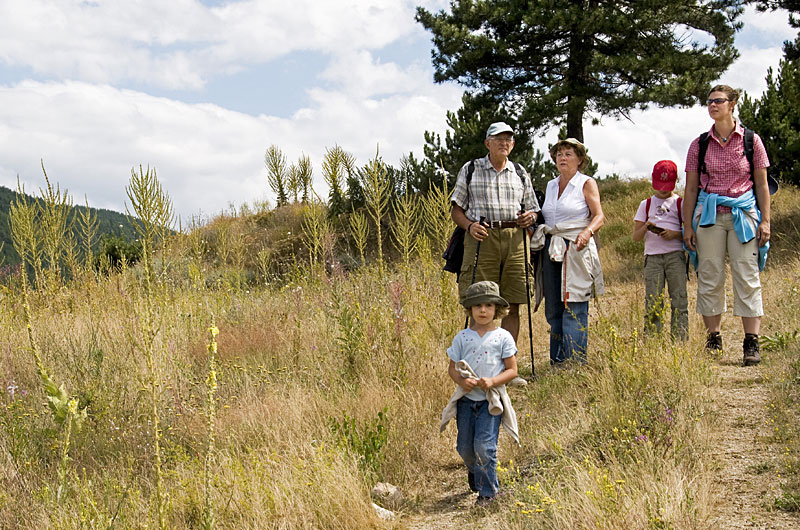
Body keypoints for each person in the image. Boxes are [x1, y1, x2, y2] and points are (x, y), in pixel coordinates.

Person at [682, 84, 771, 366]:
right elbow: (691, 188)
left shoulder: (751, 141)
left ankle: (751, 342)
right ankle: (713, 338)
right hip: (708, 216)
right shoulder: (699, 144)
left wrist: (766, 220)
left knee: (747, 275)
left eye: (718, 101)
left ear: (732, 104)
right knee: (709, 274)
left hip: (743, 214)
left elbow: (761, 183)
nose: (712, 106)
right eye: (709, 102)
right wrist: (687, 225)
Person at [451, 121, 540, 383]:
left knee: (512, 303)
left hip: (515, 239)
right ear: (487, 143)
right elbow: (456, 209)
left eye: (508, 139)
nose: (504, 142)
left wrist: (530, 217)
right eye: (498, 138)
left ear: (512, 144)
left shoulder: (520, 172)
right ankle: (477, 367)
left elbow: (533, 209)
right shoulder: (471, 169)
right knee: (480, 302)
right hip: (482, 238)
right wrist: (469, 226)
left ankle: (506, 371)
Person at [440, 281, 518, 506]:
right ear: (470, 309)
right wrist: (463, 382)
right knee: (465, 447)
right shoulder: (462, 337)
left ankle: (488, 493)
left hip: (489, 403)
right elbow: (452, 369)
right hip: (467, 402)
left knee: (485, 446)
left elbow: (512, 370)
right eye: (477, 306)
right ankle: (476, 471)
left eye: (488, 306)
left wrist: (493, 380)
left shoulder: (503, 337)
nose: (483, 311)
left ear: (497, 309)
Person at [531, 138, 605, 365]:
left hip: (576, 247)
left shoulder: (586, 183)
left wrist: (587, 233)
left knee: (573, 303)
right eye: (559, 154)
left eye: (568, 154)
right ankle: (557, 359)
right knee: (553, 306)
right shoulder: (552, 185)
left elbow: (599, 216)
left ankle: (576, 361)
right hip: (551, 246)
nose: (562, 158)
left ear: (580, 159)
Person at [632, 160, 688, 340]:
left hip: (675, 256)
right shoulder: (646, 204)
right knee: (653, 300)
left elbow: (690, 233)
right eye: (659, 186)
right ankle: (652, 341)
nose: (663, 190)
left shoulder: (680, 203)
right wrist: (647, 226)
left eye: (667, 186)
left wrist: (675, 234)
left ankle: (679, 340)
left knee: (679, 298)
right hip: (653, 258)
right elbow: (636, 236)